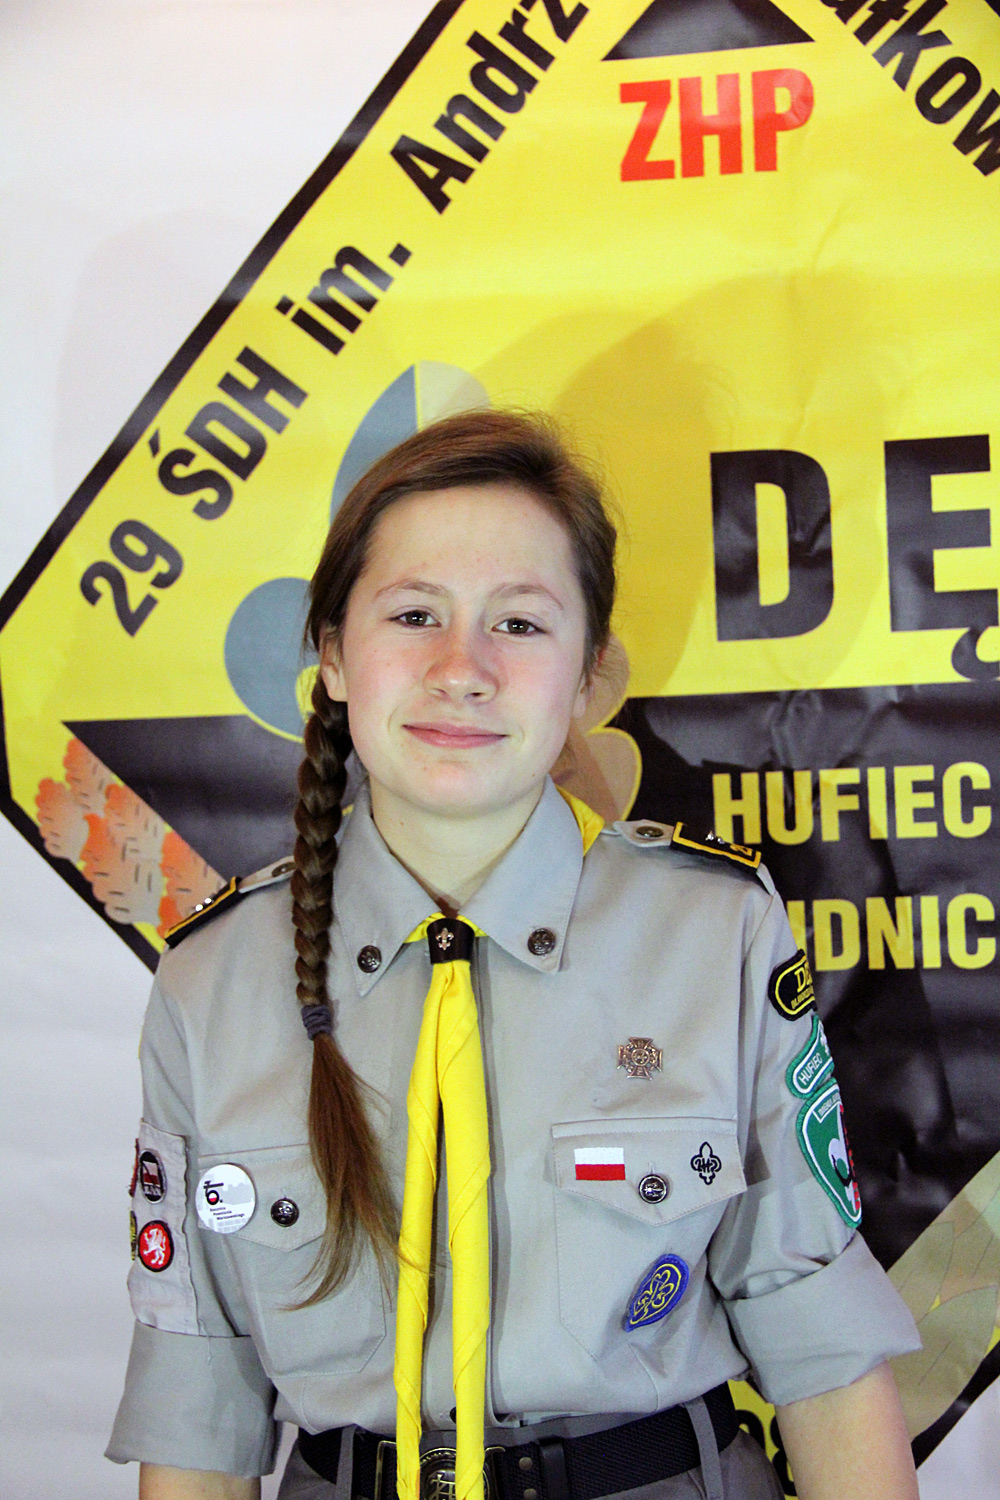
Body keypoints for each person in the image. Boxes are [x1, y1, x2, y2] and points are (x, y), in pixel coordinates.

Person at [108, 411, 921, 1500]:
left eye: (521, 623)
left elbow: (822, 1350)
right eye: (414, 614)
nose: (463, 669)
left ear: (589, 676)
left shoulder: (712, 934)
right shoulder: (212, 980)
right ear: (334, 656)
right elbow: (196, 1402)